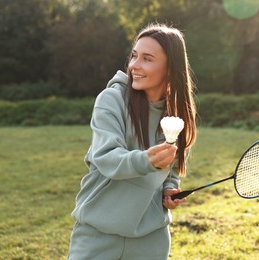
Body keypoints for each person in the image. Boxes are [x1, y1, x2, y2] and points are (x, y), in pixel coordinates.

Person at [67, 23, 197, 259]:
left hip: (151, 238)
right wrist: (146, 160)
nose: (134, 65)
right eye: (134, 56)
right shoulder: (111, 99)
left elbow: (170, 170)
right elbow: (106, 157)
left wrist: (169, 189)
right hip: (98, 234)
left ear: (170, 68)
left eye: (147, 58)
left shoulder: (176, 115)